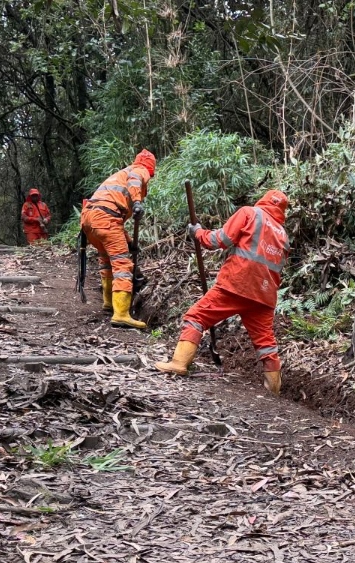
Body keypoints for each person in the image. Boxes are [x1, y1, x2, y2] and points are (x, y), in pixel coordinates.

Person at [155, 190, 290, 394]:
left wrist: (198, 233)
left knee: (196, 317)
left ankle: (179, 363)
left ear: (263, 199)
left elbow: (219, 240)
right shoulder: (283, 234)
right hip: (264, 294)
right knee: (266, 343)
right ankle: (274, 389)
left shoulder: (250, 213)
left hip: (237, 284)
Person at [81, 149, 154, 329]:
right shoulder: (139, 170)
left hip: (90, 220)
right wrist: (137, 202)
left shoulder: (119, 175)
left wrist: (128, 242)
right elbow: (136, 180)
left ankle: (108, 302)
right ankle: (121, 314)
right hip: (105, 219)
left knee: (106, 261)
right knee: (122, 265)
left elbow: (115, 219)